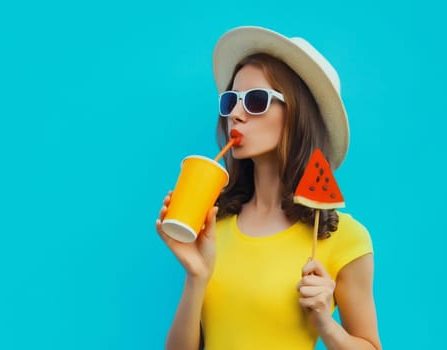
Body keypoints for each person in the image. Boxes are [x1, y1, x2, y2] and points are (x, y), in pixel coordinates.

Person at [156, 26, 381, 350]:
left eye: (256, 100)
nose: (235, 114)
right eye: (231, 100)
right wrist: (196, 275)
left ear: (298, 114)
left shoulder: (345, 237)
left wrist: (325, 324)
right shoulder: (212, 225)